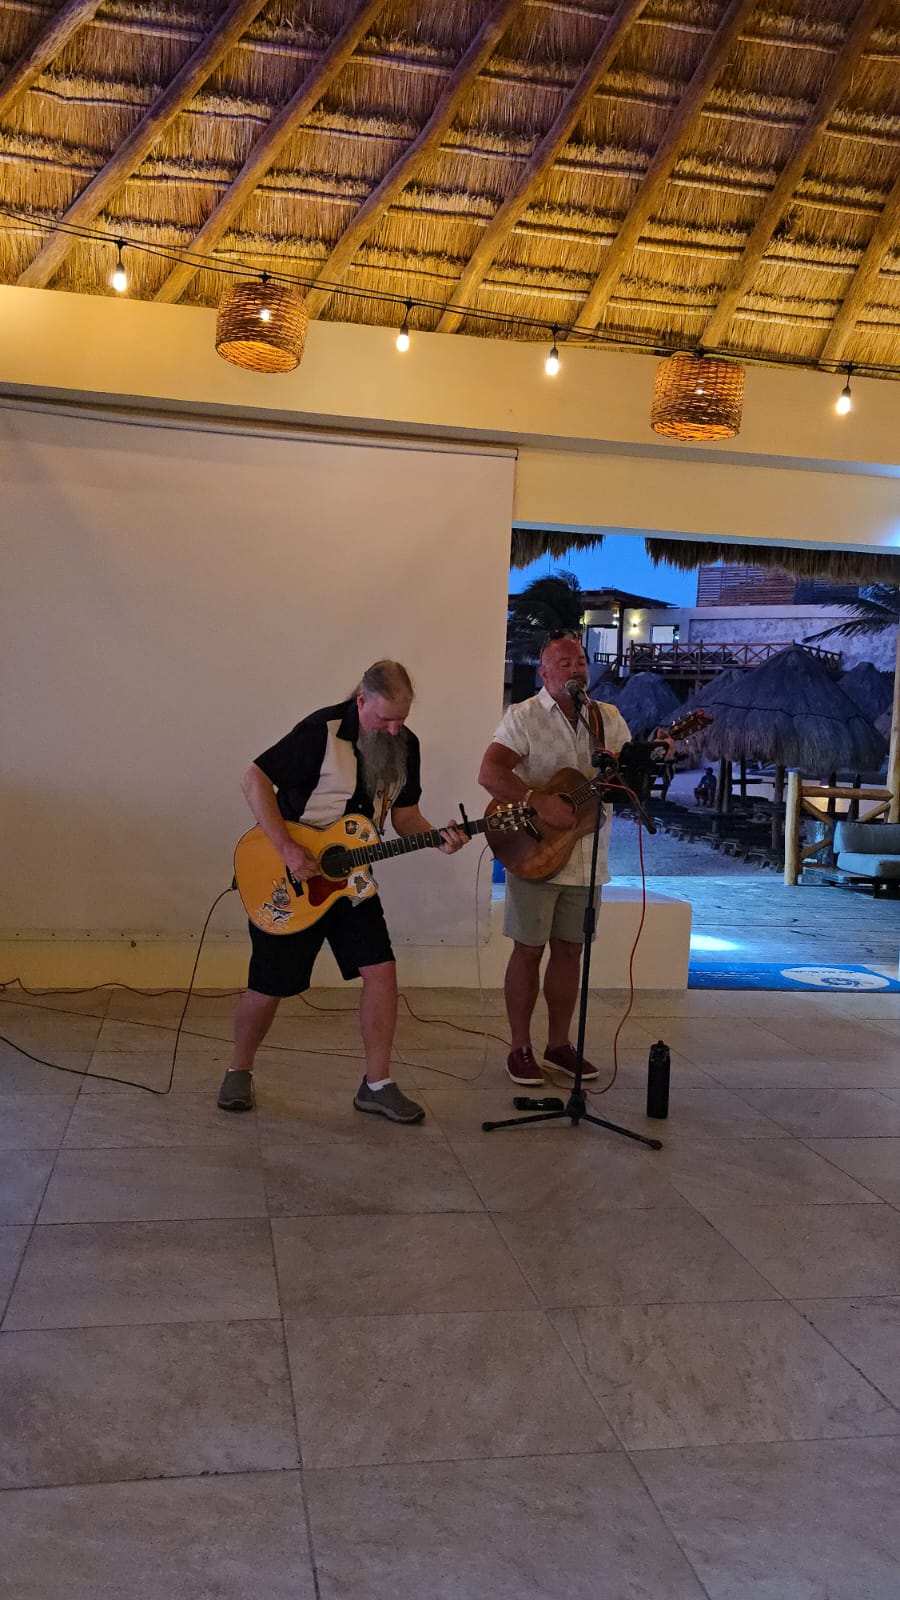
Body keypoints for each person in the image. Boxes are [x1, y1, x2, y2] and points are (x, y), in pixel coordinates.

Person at [218, 661, 468, 1123]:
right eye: (384, 718)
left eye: (402, 719)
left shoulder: (405, 746)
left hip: (352, 883)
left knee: (382, 971)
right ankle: (239, 1068)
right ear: (361, 701)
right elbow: (254, 779)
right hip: (292, 879)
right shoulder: (321, 730)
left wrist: (441, 838)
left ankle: (377, 1084)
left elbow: (404, 818)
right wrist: (288, 849)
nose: (394, 728)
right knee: (267, 987)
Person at [478, 631, 631, 1086]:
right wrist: (536, 800)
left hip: (588, 856)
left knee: (571, 950)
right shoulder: (523, 717)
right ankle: (519, 1047)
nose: (575, 668)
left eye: (580, 660)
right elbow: (489, 772)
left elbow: (622, 778)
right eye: (563, 662)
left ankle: (559, 1044)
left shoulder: (607, 718)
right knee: (528, 950)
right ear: (543, 672)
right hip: (535, 851)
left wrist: (653, 756)